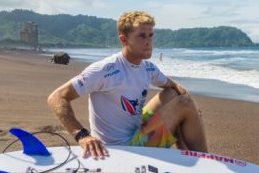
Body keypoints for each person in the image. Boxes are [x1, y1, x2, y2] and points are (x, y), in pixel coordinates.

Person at [47, 11, 207, 159]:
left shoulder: (147, 67)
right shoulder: (106, 69)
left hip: (136, 131)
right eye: (142, 36)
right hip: (123, 148)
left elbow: (174, 86)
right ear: (124, 39)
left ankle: (185, 155)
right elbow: (56, 97)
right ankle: (206, 161)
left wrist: (193, 106)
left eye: (151, 35)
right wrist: (81, 135)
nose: (148, 41)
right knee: (183, 104)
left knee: (172, 94)